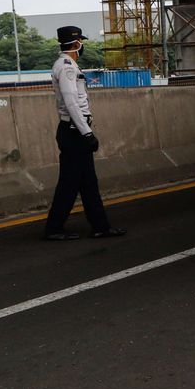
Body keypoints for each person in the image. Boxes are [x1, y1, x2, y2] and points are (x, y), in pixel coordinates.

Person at [42, 26, 126, 241]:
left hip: (75, 131)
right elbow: (71, 103)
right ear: (75, 43)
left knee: (88, 183)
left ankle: (101, 227)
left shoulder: (69, 65)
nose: (82, 44)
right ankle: (54, 228)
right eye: (80, 40)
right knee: (70, 184)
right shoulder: (67, 67)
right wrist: (87, 133)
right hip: (74, 132)